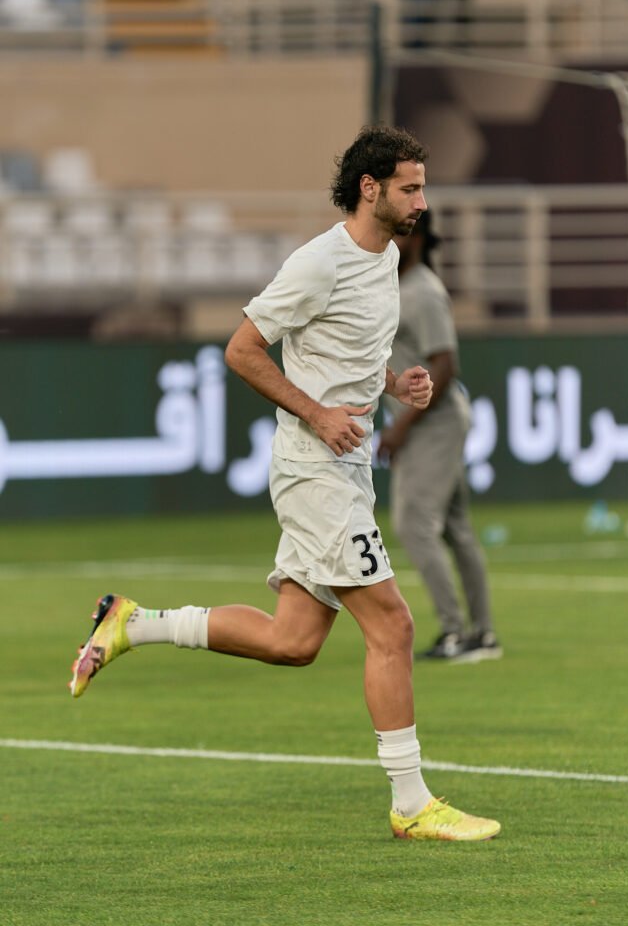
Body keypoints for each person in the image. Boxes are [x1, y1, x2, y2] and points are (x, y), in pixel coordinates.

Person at [68, 126, 501, 843]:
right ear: (370, 188)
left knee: (292, 641)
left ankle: (131, 623)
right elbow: (242, 349)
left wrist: (397, 384)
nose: (422, 202)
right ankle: (411, 803)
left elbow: (349, 352)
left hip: (345, 467)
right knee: (393, 626)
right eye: (410, 188)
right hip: (313, 469)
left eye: (422, 188)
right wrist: (318, 414)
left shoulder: (389, 258)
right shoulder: (318, 262)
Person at [378, 208, 502, 662]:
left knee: (414, 524)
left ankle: (454, 632)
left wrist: (399, 427)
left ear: (416, 238)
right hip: (429, 422)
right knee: (455, 528)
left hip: (435, 423)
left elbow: (445, 367)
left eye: (398, 233)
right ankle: (482, 634)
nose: (390, 240)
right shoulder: (394, 287)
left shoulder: (424, 291)